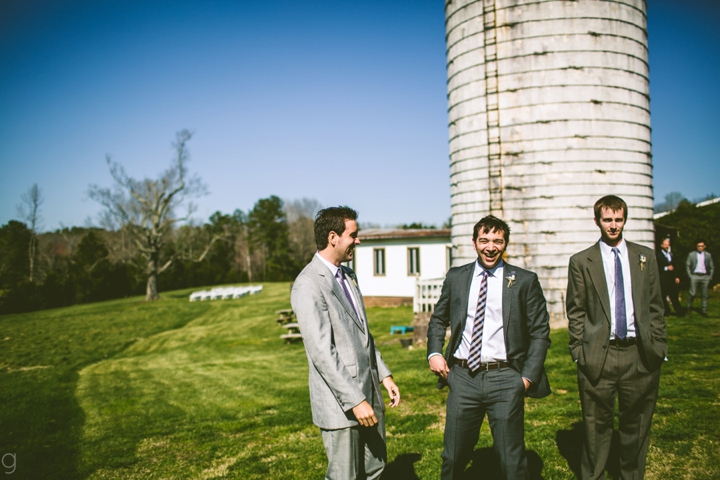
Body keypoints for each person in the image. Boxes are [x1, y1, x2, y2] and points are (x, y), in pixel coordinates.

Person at [427, 215, 551, 480]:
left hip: (506, 379)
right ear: (474, 243)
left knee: (511, 459)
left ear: (505, 244)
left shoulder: (524, 280)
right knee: (453, 455)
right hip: (462, 378)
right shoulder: (457, 277)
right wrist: (435, 352)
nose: (490, 247)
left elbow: (540, 332)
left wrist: (527, 378)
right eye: (484, 240)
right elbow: (439, 319)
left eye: (497, 241)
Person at [291, 206, 400, 480]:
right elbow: (321, 353)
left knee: (375, 469)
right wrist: (355, 401)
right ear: (333, 237)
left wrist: (384, 376)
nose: (358, 240)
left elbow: (363, 334)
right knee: (345, 476)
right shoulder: (307, 284)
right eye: (353, 235)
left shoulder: (349, 276)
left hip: (370, 392)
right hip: (341, 405)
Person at [566, 195, 667, 479]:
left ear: (625, 219)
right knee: (595, 428)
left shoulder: (644, 256)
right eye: (607, 220)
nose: (613, 226)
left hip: (640, 355)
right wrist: (579, 351)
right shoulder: (581, 261)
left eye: (618, 220)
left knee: (636, 426)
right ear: (597, 220)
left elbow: (656, 306)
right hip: (599, 355)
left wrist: (658, 347)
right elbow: (576, 310)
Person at [686, 240, 714, 317]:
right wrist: (690, 276)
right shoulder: (691, 255)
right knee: (692, 293)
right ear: (696, 246)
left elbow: (711, 267)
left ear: (704, 246)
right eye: (699, 246)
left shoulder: (708, 255)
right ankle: (688, 308)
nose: (700, 248)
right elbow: (688, 266)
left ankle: (704, 310)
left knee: (704, 294)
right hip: (694, 276)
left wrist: (710, 276)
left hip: (705, 277)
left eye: (702, 246)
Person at [656, 237, 683, 316]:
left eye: (668, 245)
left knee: (674, 296)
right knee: (663, 297)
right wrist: (666, 268)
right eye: (665, 245)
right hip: (663, 279)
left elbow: (675, 266)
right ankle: (666, 311)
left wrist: (677, 276)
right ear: (661, 245)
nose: (667, 246)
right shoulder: (658, 255)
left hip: (671, 279)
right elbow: (656, 267)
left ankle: (680, 312)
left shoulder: (671, 254)